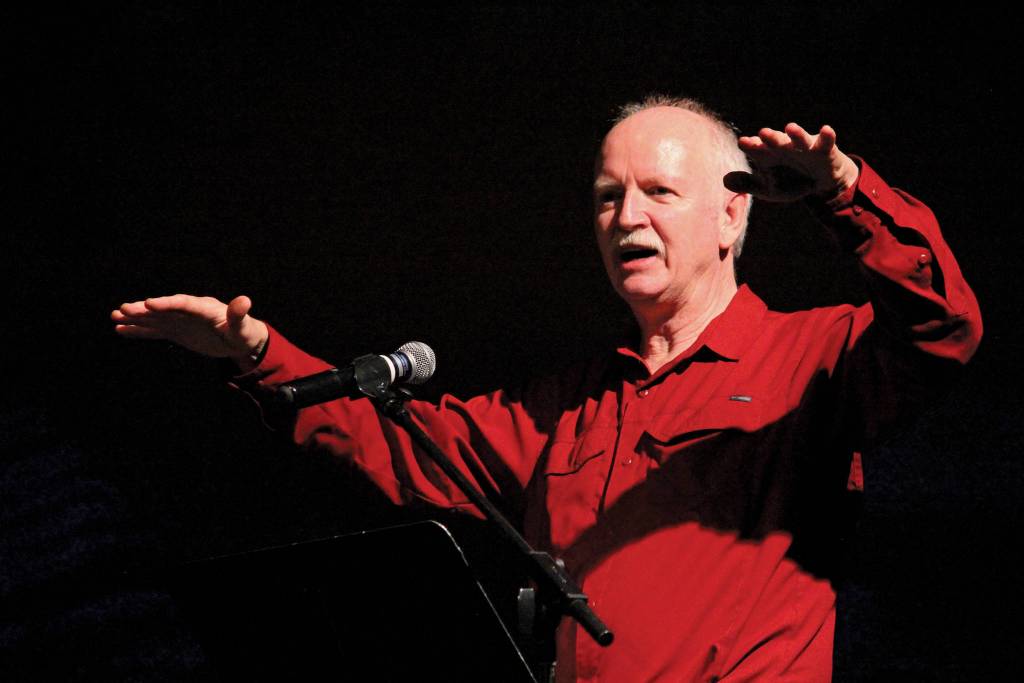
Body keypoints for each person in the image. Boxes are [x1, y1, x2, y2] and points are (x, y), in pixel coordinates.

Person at [112, 96, 981, 681]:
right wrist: (263, 353)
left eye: (658, 192)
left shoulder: (812, 357)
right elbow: (404, 444)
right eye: (608, 197)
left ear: (730, 216)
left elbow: (945, 324)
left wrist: (848, 193)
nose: (626, 217)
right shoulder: (571, 404)